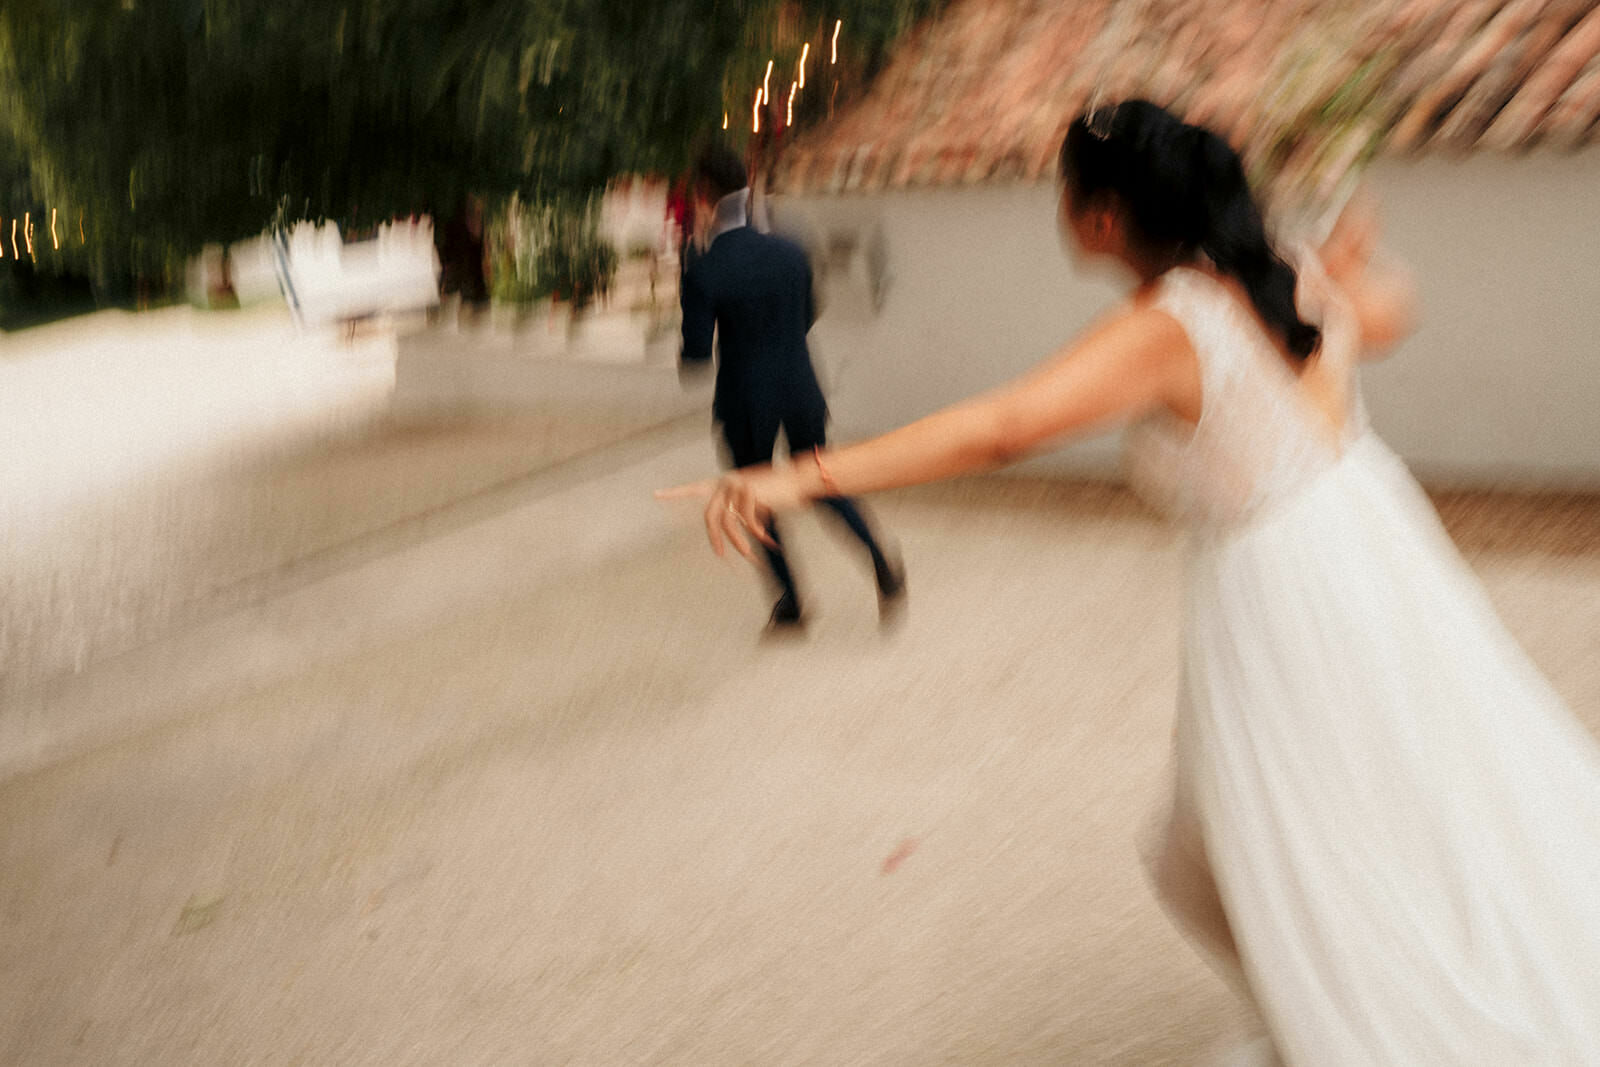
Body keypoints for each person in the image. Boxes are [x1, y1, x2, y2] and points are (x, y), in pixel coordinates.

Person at [659, 101, 1600, 1061]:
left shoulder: (1177, 319)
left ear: (1102, 215)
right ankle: (1342, 1000)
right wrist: (1350, 271)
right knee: (1372, 811)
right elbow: (1393, 314)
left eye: (1064, 190)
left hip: (1286, 589)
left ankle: (1384, 1023)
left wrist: (798, 473)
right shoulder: (1276, 265)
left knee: (1283, 847)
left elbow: (1005, 428)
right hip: (1368, 541)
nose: (1058, 207)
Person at [679, 145, 905, 632]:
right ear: (747, 185)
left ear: (702, 194)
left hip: (744, 399)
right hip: (800, 383)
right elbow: (809, 312)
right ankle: (880, 560)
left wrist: (695, 283)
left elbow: (696, 355)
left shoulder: (705, 263)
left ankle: (791, 602)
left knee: (755, 495)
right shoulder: (792, 246)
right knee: (820, 479)